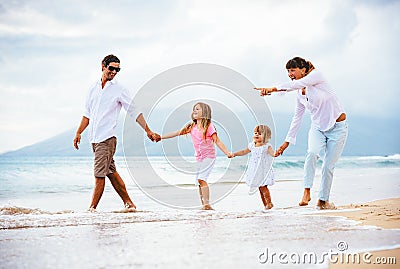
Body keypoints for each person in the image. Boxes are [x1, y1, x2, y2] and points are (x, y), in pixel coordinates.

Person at [255, 56, 348, 210]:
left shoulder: (317, 77)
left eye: (293, 70)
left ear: (303, 70)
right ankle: (307, 191)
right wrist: (286, 142)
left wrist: (272, 88)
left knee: (328, 166)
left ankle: (323, 201)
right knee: (312, 153)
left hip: (338, 128)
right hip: (318, 128)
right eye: (288, 71)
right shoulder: (299, 92)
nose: (290, 74)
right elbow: (297, 117)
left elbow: (298, 83)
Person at [73, 54, 160, 212]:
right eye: (111, 68)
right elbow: (87, 114)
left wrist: (148, 130)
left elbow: (134, 111)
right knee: (111, 173)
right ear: (103, 66)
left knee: (99, 174)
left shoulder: (119, 89)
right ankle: (129, 204)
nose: (114, 72)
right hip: (94, 139)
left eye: (117, 69)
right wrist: (79, 132)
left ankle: (91, 210)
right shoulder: (92, 89)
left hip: (106, 138)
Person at [161, 102, 231, 210]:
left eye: (197, 109)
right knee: (199, 182)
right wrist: (161, 137)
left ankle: (207, 204)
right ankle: (203, 204)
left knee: (202, 179)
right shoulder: (191, 126)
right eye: (194, 109)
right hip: (199, 159)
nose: (194, 110)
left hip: (209, 157)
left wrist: (227, 152)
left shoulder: (209, 126)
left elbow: (217, 141)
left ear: (205, 112)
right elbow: (176, 133)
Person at [230, 125, 275, 210]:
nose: (257, 135)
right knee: (260, 188)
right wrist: (234, 154)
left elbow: (272, 153)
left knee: (263, 186)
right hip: (255, 170)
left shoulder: (267, 146)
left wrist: (276, 153)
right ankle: (265, 205)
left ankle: (269, 203)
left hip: (263, 170)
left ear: (266, 136)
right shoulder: (252, 145)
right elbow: (244, 151)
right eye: (255, 133)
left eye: (260, 133)